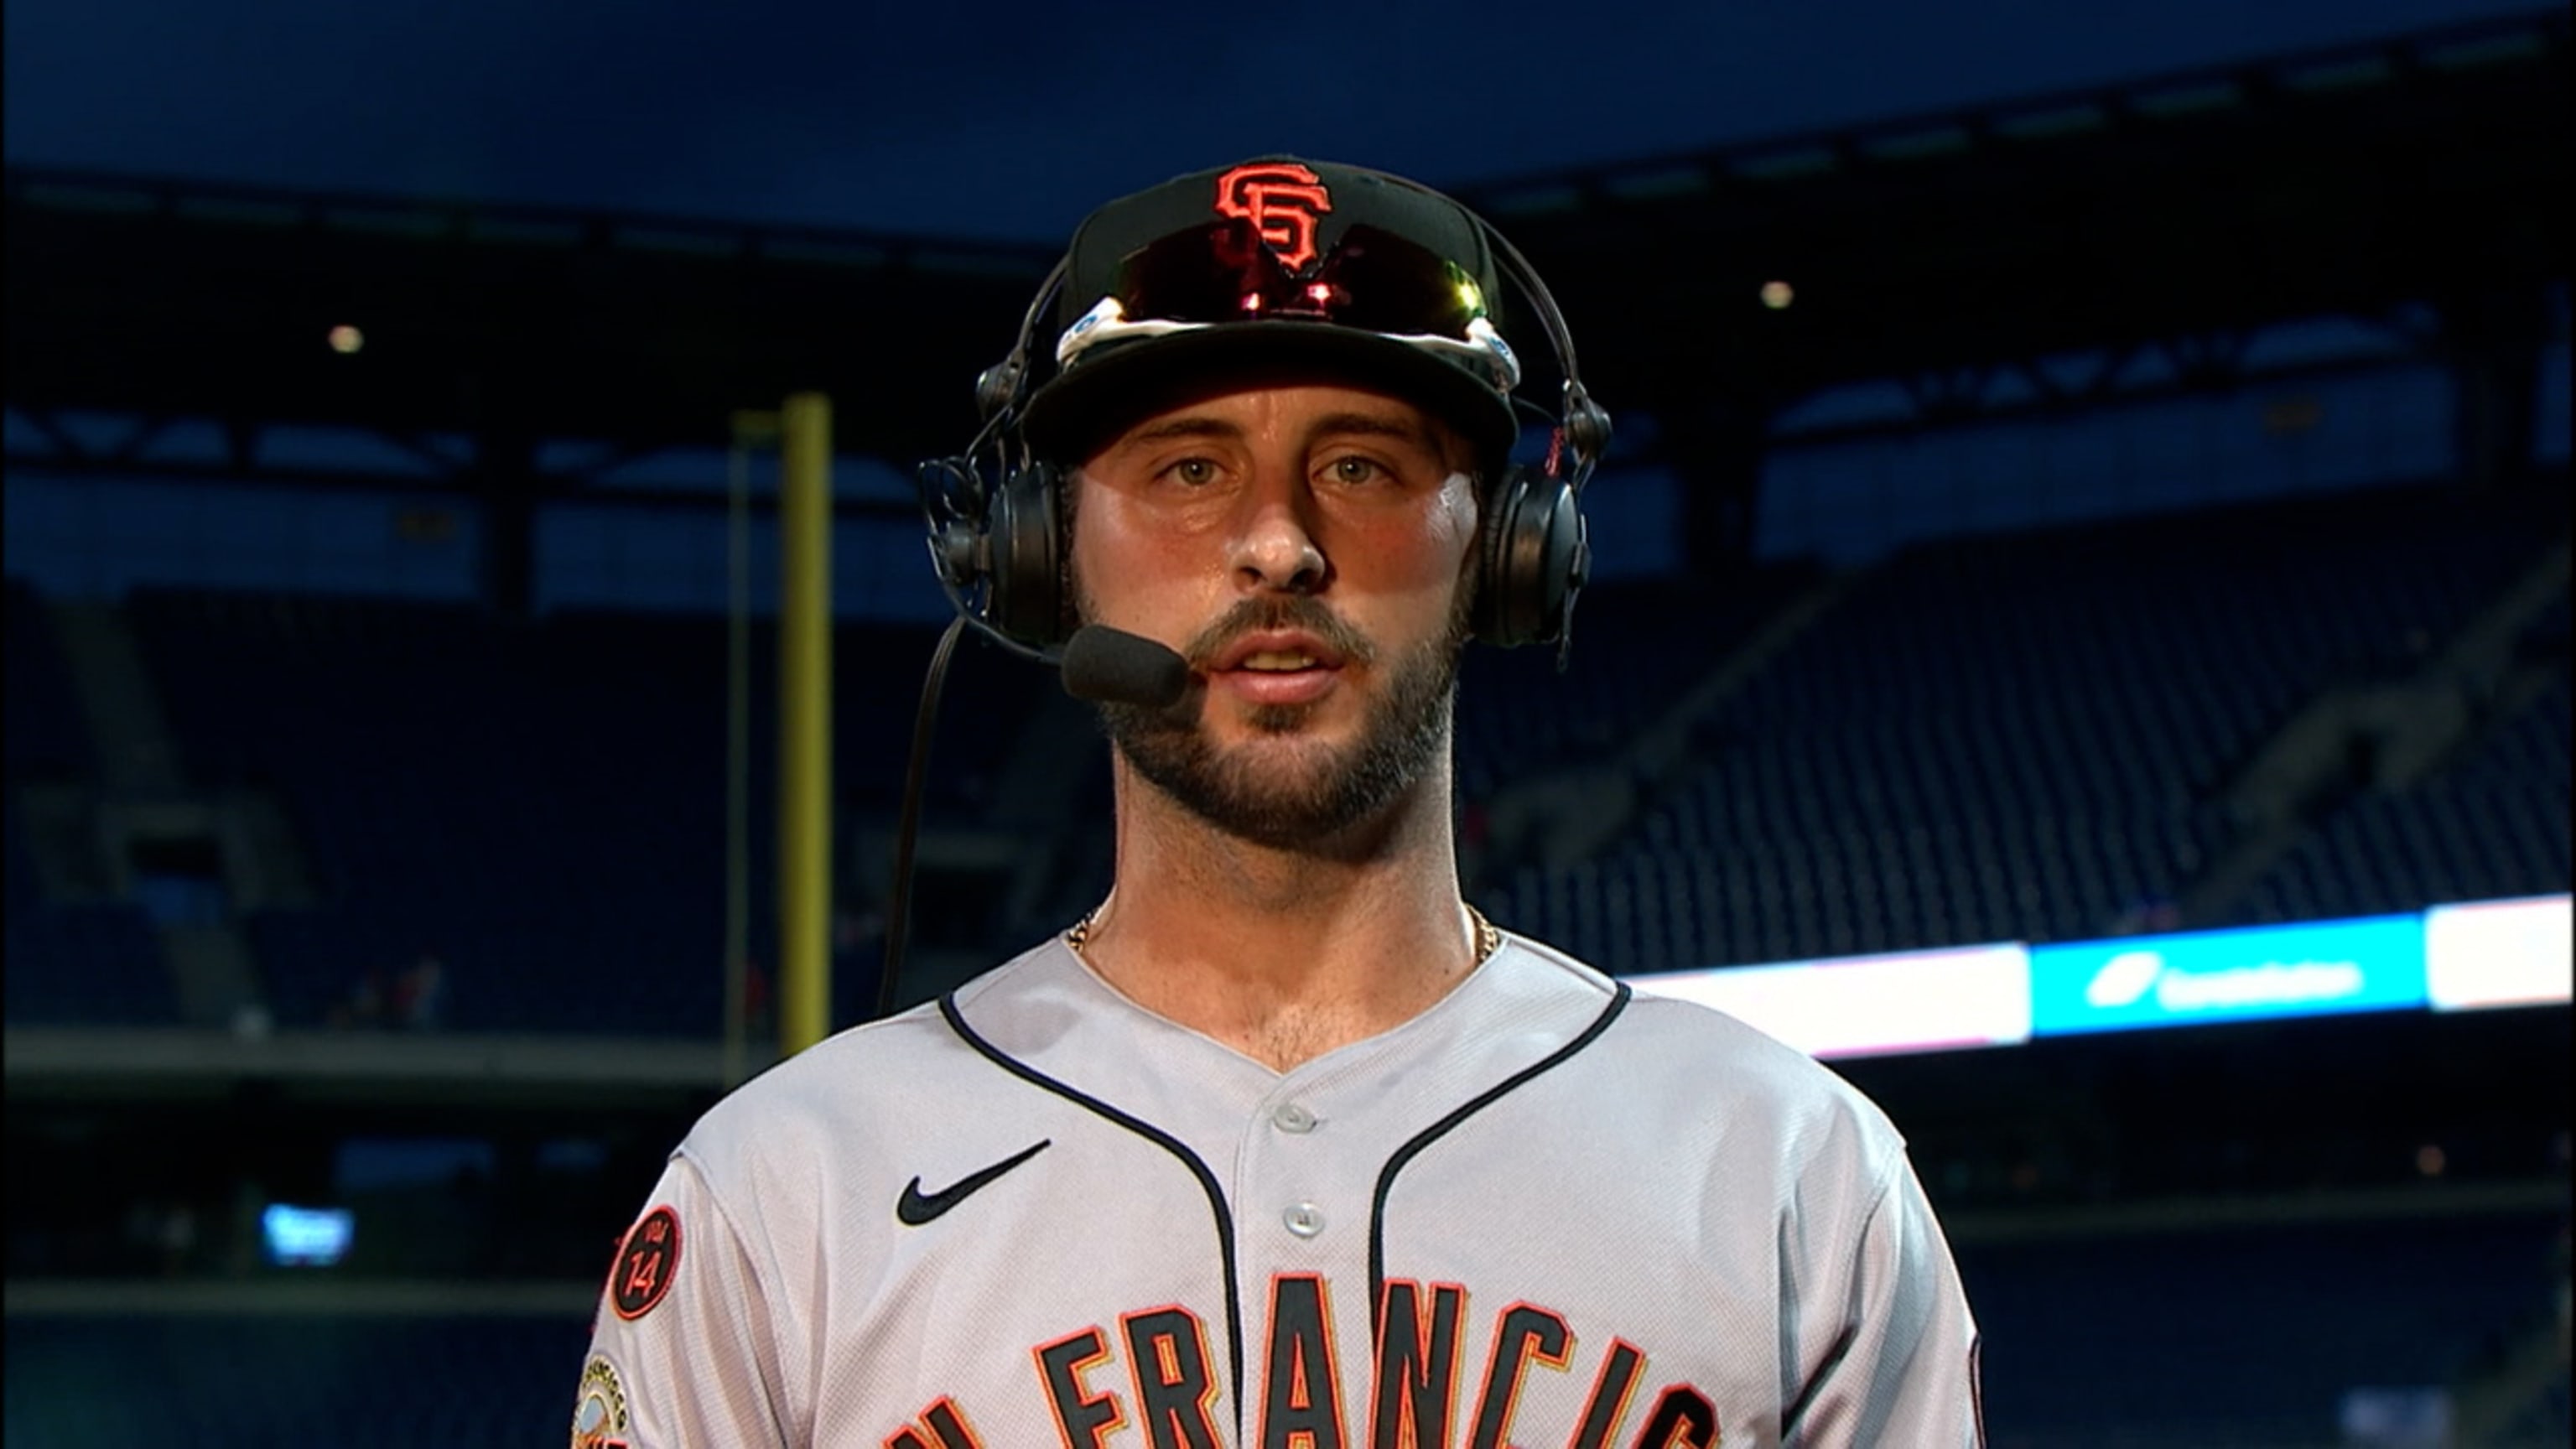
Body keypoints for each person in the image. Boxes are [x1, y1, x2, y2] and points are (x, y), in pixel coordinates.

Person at [574, 157, 1982, 1447]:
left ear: (1505, 548)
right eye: (1188, 470)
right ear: (1042, 558)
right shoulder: (785, 1195)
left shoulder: (1787, 1167)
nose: (1277, 545)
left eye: (1360, 465)